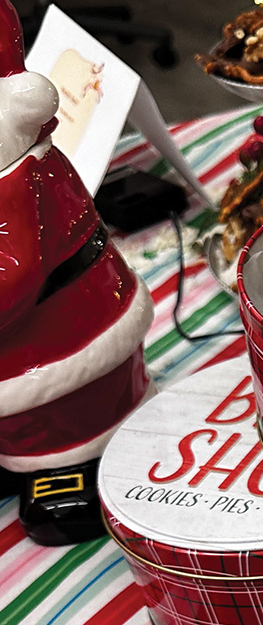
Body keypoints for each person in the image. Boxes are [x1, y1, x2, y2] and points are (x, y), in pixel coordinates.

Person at [0, 0, 154, 544]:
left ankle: (66, 467)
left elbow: (10, 279)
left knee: (64, 415)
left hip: (60, 344)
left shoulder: (14, 185)